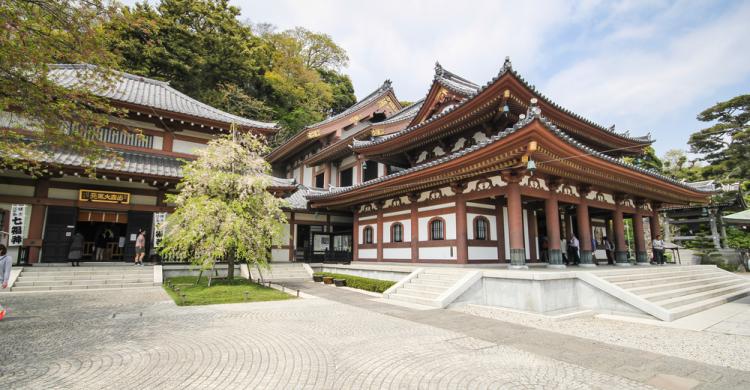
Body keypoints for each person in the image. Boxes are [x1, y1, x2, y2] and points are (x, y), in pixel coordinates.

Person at [0, 244, 11, 320]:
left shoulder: (8, 258)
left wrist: (5, 281)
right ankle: (1, 311)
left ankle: (1, 311)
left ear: (1, 250)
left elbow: (7, 271)